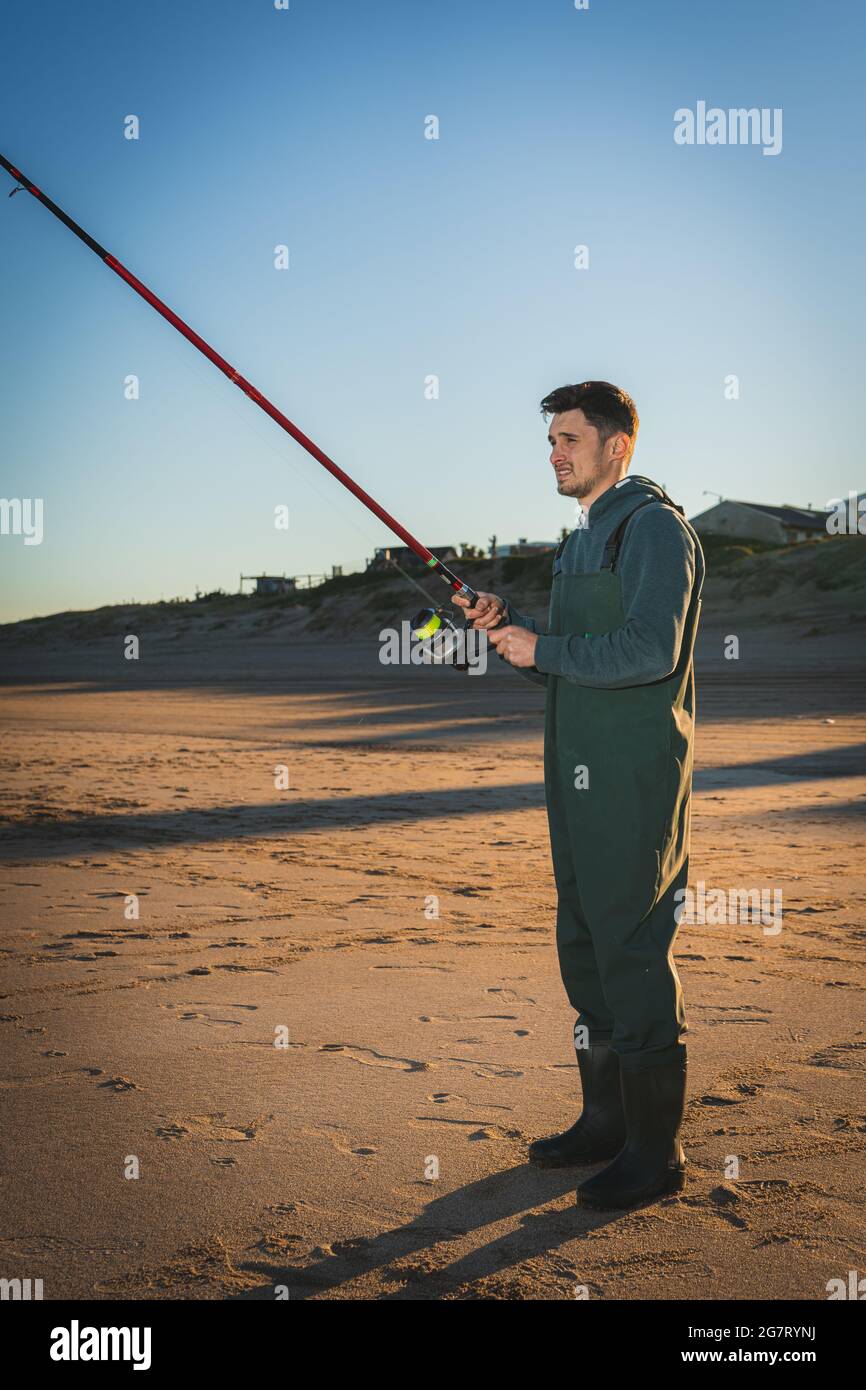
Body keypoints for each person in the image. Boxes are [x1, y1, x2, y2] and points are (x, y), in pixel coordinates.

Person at [454, 381, 704, 1208]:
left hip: (634, 781)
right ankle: (604, 1120)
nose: (555, 455)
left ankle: (653, 1153)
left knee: (631, 950)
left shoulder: (654, 529)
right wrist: (510, 625)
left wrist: (546, 644)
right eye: (551, 442)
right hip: (574, 774)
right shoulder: (578, 542)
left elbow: (648, 650)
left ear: (616, 447)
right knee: (585, 946)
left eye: (570, 439)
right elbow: (568, 660)